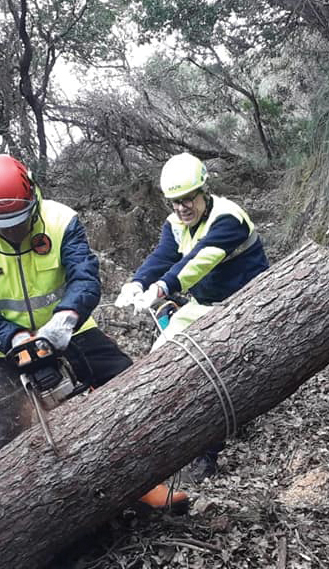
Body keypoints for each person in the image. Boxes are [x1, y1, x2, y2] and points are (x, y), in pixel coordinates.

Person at [0, 154, 187, 510]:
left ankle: (145, 483)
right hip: (6, 347)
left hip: (70, 330)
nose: (12, 231)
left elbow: (85, 277)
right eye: (2, 225)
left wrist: (65, 318)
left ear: (33, 199)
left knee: (129, 385)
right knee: (0, 425)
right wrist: (12, 338)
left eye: (19, 222)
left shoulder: (60, 221)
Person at [114, 152, 270, 481]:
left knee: (210, 372)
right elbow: (163, 256)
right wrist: (137, 282)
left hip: (246, 304)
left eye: (188, 200)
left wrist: (162, 288)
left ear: (203, 192)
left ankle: (207, 454)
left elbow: (200, 261)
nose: (182, 208)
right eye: (175, 202)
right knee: (161, 357)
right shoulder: (176, 223)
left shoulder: (229, 219)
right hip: (204, 304)